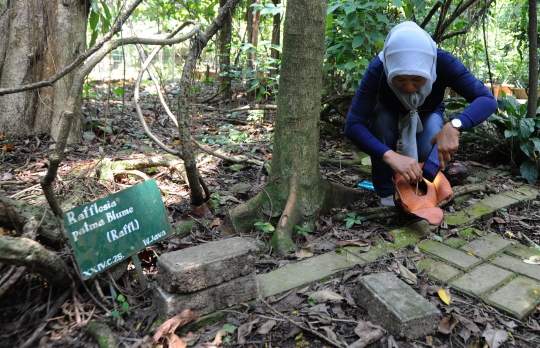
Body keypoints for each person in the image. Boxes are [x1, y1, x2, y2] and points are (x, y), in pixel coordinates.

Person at [344, 21, 497, 206]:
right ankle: (386, 191)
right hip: (388, 111)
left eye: (418, 79)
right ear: (390, 69)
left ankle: (426, 193)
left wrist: (456, 125)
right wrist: (391, 156)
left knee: (429, 153)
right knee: (381, 122)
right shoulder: (379, 69)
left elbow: (487, 99)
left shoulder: (441, 62)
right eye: (399, 79)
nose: (409, 87)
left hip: (428, 110)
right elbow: (353, 124)